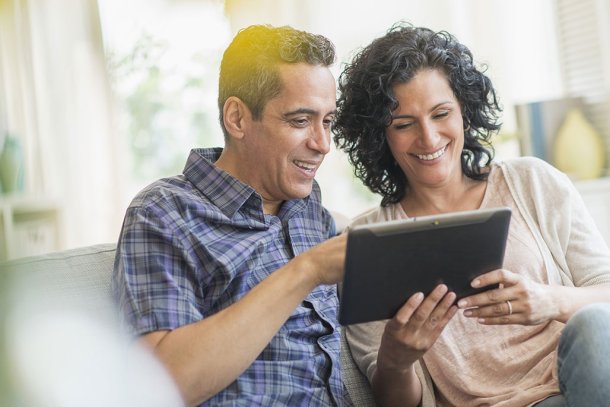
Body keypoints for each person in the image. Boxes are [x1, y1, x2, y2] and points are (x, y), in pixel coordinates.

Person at [333, 23, 610, 407]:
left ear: (465, 110)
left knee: (597, 324)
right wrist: (396, 361)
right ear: (380, 136)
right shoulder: (365, 243)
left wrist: (550, 300)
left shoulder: (531, 182)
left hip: (578, 387)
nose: (429, 139)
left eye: (441, 113)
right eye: (403, 124)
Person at [112, 24, 351, 406]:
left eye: (328, 121)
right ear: (237, 118)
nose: (322, 145)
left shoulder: (310, 211)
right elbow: (163, 384)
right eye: (300, 120)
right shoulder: (165, 213)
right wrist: (306, 271)